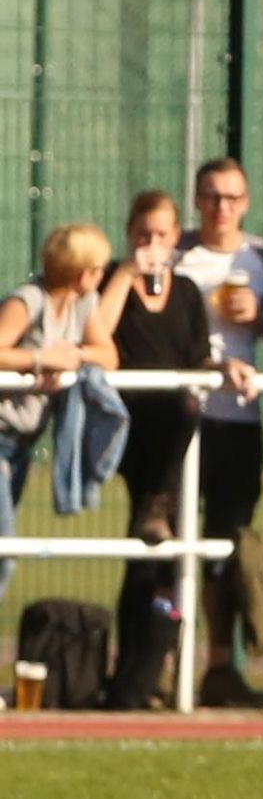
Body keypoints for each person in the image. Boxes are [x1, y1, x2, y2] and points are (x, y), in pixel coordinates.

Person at [95, 194, 213, 708]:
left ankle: (144, 677)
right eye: (144, 234)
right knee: (150, 553)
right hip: (128, 426)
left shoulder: (187, 293)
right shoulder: (112, 284)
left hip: (176, 436)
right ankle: (137, 679)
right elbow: (95, 331)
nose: (153, 245)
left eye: (163, 235)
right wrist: (124, 275)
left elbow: (199, 355)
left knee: (159, 559)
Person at [175, 158, 263, 706]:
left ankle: (220, 666)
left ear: (246, 202)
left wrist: (258, 317)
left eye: (232, 197)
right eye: (212, 196)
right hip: (179, 414)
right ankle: (160, 666)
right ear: (196, 200)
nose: (223, 207)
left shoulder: (259, 255)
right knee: (165, 539)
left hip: (239, 418)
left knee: (227, 542)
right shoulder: (175, 251)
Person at [0, 224, 125, 608]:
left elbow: (109, 355)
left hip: (20, 445)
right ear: (81, 272)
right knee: (3, 552)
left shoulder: (82, 305)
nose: (102, 276)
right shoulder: (28, 300)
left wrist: (75, 354)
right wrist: (40, 359)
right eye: (99, 268)